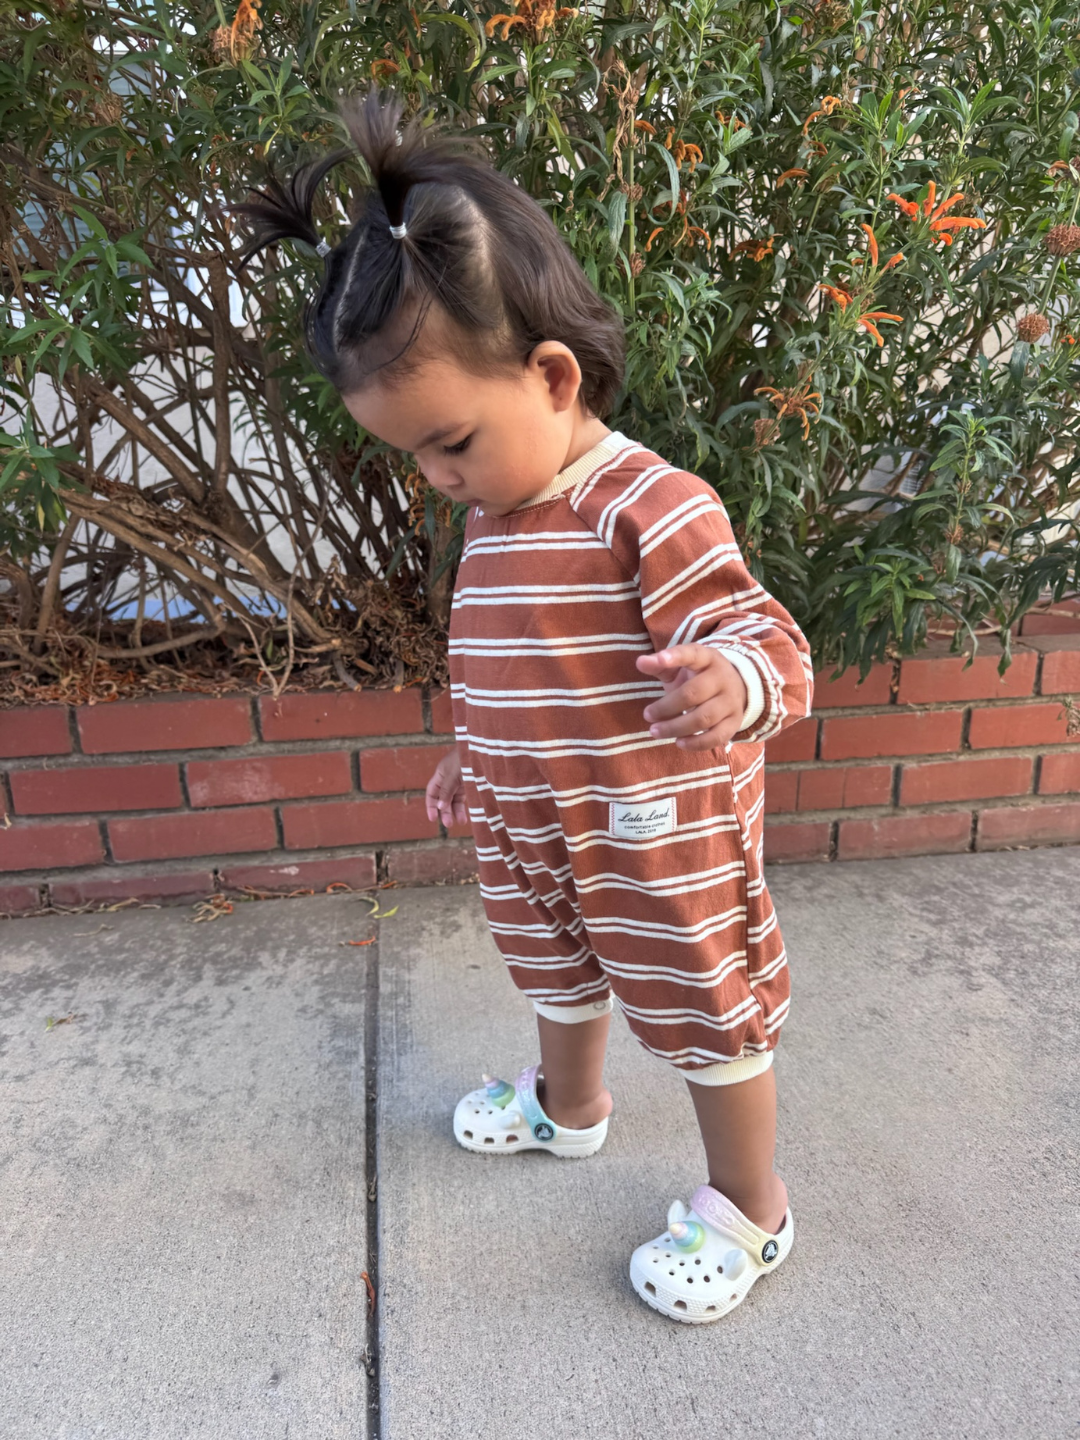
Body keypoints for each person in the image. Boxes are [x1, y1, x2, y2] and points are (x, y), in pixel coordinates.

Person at [238, 89, 814, 1325]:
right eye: (415, 460)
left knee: (703, 1002)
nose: (440, 480)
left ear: (552, 377)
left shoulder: (645, 504)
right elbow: (503, 659)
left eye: (450, 443)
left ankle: (751, 1206)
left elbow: (763, 635)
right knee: (553, 963)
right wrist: (470, 752)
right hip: (535, 812)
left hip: (657, 831)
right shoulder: (500, 518)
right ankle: (570, 1107)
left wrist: (737, 680)